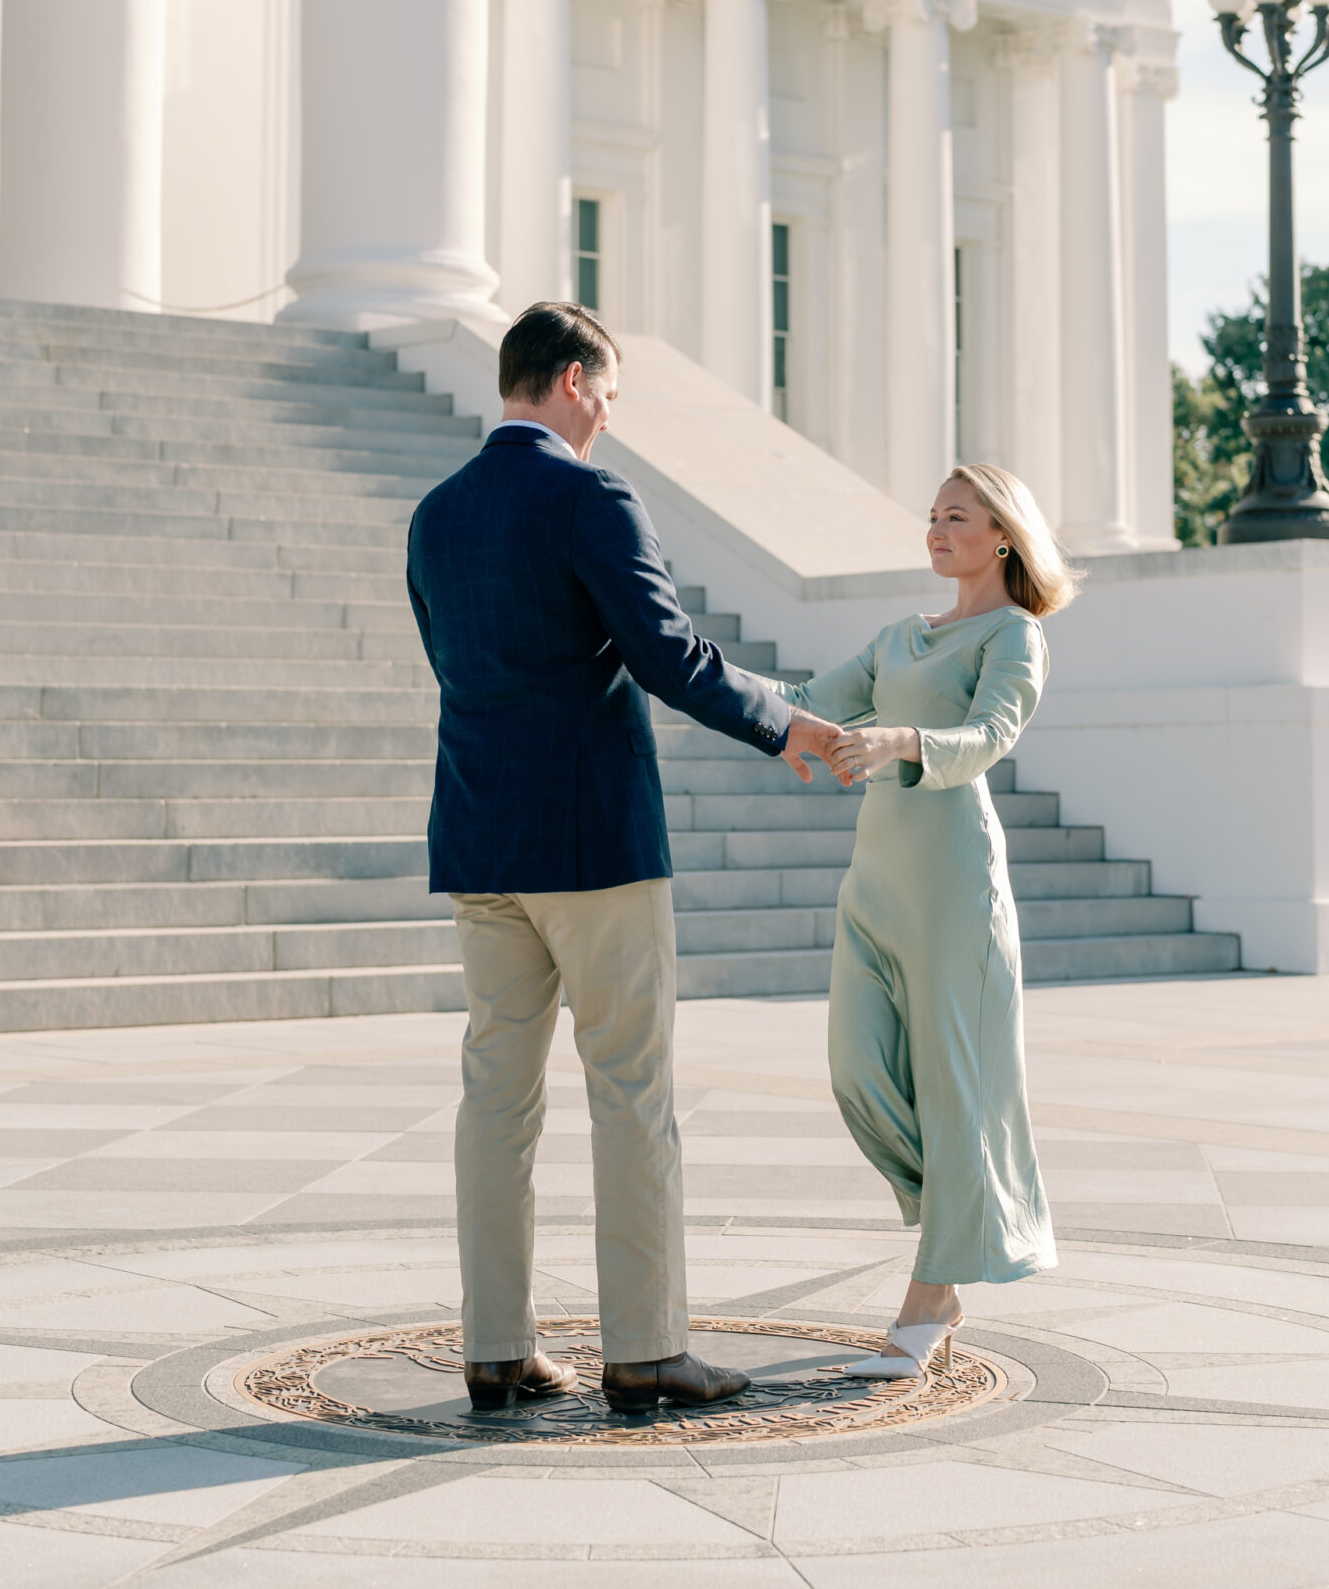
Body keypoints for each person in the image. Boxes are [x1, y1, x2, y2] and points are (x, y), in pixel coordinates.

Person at [406, 302, 841, 1416]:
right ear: (566, 381)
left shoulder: (435, 515)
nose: (608, 415)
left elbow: (460, 666)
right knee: (632, 1093)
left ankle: (496, 1352)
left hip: (481, 842)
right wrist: (781, 719)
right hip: (593, 846)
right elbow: (663, 652)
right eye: (604, 391)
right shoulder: (586, 494)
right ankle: (646, 1350)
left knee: (494, 1101)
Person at [774, 463, 1077, 1379]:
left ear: (1001, 539)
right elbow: (813, 701)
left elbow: (989, 737)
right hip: (876, 882)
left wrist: (900, 741)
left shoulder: (1014, 636)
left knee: (954, 1089)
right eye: (934, 515)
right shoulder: (898, 637)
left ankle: (935, 1282)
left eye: (959, 517)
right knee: (855, 1070)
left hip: (954, 883)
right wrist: (729, 697)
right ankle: (959, 1214)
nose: (938, 529)